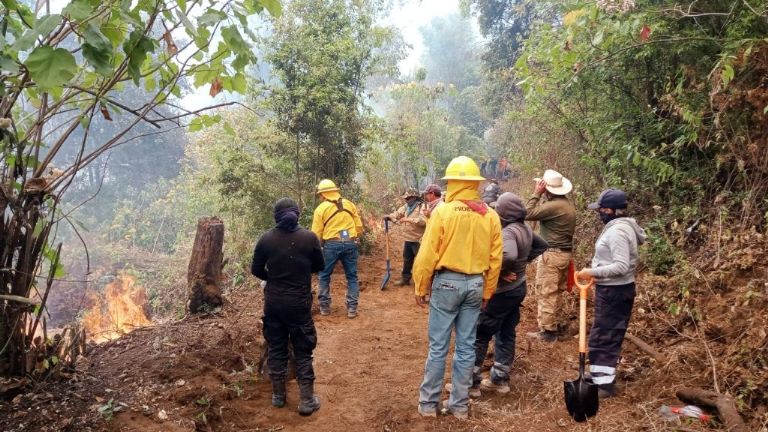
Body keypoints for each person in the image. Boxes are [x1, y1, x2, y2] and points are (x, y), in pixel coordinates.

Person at [413, 156, 502, 420]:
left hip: (447, 283)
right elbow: (496, 260)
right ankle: (459, 406)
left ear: (452, 183)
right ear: (474, 184)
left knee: (439, 346)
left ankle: (429, 405)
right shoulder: (490, 215)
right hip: (476, 284)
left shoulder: (443, 211)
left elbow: (428, 252)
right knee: (466, 347)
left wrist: (421, 285)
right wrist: (487, 292)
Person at [251, 198, 325, 415]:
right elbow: (319, 266)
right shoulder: (309, 237)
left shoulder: (266, 239)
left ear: (276, 216)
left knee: (276, 347)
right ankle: (307, 400)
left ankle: (278, 397)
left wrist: (273, 278)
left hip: (273, 302)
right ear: (297, 214)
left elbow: (255, 269)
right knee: (303, 349)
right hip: (299, 302)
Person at [473, 192, 548, 395]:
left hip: (502, 292)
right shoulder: (523, 228)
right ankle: (500, 379)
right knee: (506, 333)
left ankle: (470, 383)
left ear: (505, 213)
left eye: (499, 209)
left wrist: (501, 270)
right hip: (518, 289)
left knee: (481, 333)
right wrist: (521, 266)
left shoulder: (507, 232)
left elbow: (508, 255)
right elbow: (542, 245)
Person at [576, 189, 646, 398]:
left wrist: (592, 272)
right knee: (604, 332)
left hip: (615, 291)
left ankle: (604, 385)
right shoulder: (621, 226)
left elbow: (622, 265)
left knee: (605, 335)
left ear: (611, 210)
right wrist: (599, 276)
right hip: (613, 287)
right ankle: (599, 375)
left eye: (601, 209)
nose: (600, 213)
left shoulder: (617, 231)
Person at [524, 169, 576, 342]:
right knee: (557, 292)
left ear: (546, 189)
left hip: (552, 255)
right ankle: (555, 325)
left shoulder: (553, 206)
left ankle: (547, 331)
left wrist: (536, 194)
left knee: (546, 292)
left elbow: (527, 213)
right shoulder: (566, 205)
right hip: (564, 255)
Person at [311, 179, 364, 319]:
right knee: (352, 277)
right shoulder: (349, 204)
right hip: (350, 243)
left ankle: (324, 307)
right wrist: (354, 236)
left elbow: (316, 233)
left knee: (324, 275)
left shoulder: (321, 209)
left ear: (323, 194)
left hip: (331, 245)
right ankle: (352, 309)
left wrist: (316, 249)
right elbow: (359, 226)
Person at [383, 188, 427, 286]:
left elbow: (423, 222)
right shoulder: (406, 207)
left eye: (408, 198)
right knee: (407, 260)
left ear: (414, 197)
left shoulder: (422, 207)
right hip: (408, 238)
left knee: (421, 262)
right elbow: (397, 214)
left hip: (419, 239)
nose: (406, 200)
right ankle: (405, 279)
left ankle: (423, 283)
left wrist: (408, 220)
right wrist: (389, 216)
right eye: (405, 199)